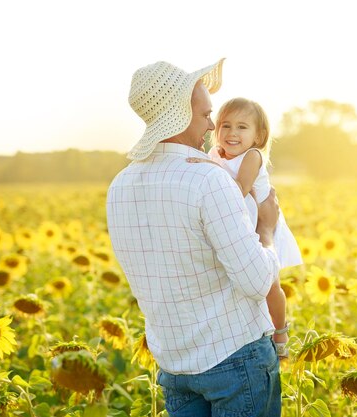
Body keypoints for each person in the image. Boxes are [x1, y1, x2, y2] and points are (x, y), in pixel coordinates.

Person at [106, 59, 282, 417]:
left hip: (173, 364)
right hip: (235, 358)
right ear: (180, 116)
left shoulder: (119, 185)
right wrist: (266, 229)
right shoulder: (208, 180)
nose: (212, 125)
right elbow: (257, 281)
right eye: (205, 115)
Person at [188, 98, 302, 358]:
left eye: (242, 127)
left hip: (262, 224)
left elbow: (237, 190)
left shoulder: (253, 156)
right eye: (225, 126)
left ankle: (281, 331)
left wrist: (206, 168)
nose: (232, 133)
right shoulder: (216, 154)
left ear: (258, 135)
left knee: (270, 284)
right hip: (242, 225)